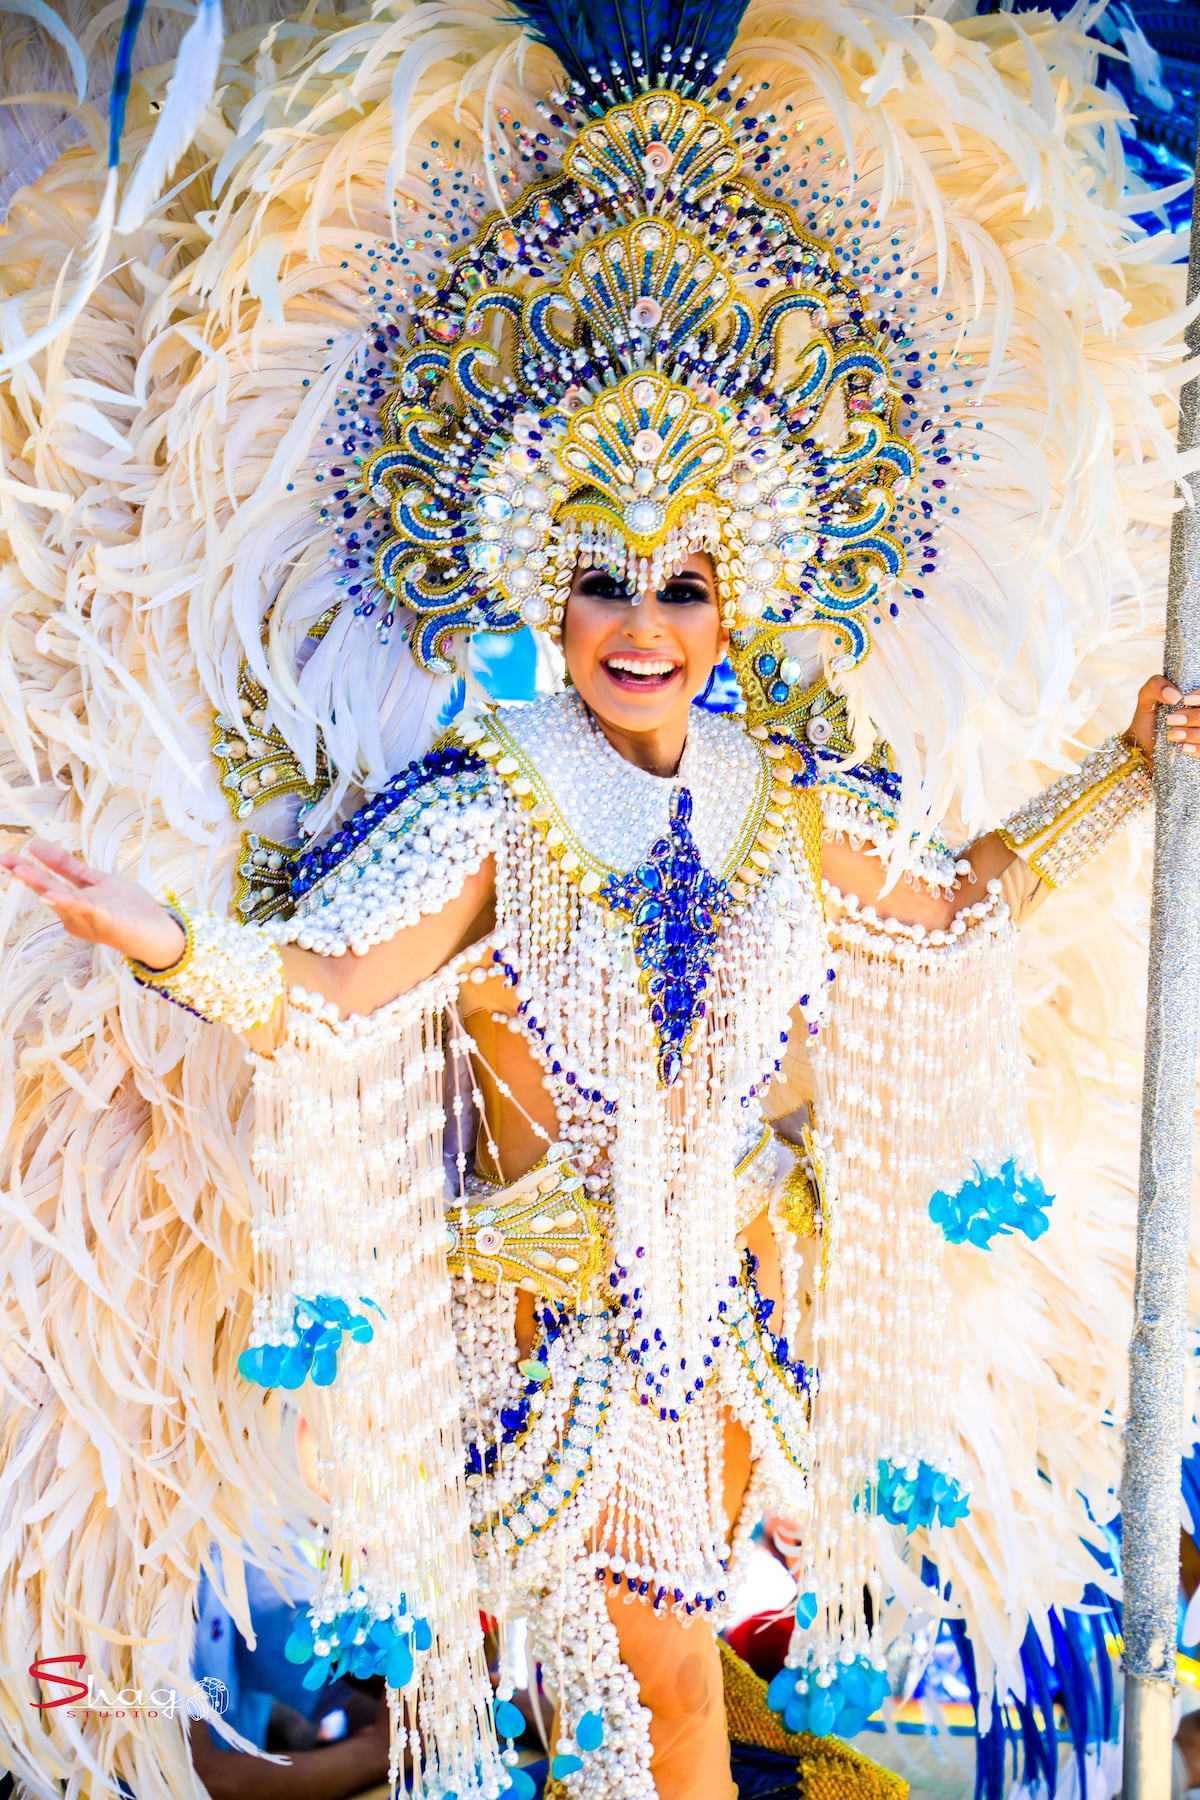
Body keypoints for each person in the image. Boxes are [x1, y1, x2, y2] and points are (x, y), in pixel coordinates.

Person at [0, 1, 1188, 1798]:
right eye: (609, 582)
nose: (647, 625)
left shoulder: (787, 798)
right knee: (646, 1716)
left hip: (736, 1330)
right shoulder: (481, 807)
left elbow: (951, 912)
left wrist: (1132, 770)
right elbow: (326, 1000)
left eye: (686, 585)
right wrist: (147, 933)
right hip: (554, 1347)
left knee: (659, 1708)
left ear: (742, 604)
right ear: (548, 600)